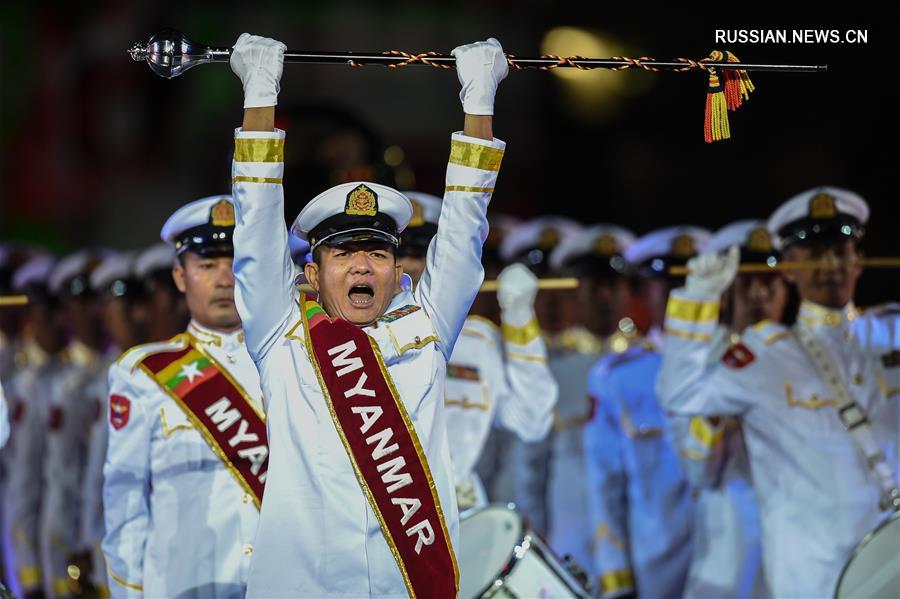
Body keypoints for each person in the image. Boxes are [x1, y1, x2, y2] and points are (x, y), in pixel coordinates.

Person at [226, 32, 507, 596]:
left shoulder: (426, 330)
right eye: (343, 252)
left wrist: (479, 104)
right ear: (310, 273)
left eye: (377, 252)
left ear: (398, 270)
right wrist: (260, 93)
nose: (362, 265)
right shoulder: (281, 335)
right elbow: (255, 229)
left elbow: (462, 232)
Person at [656, 187, 900, 597]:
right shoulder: (762, 357)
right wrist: (697, 301)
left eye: (841, 249)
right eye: (813, 253)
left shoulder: (891, 331)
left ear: (859, 258)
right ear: (789, 266)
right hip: (814, 577)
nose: (830, 264)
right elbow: (678, 395)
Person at [102, 196, 265, 598]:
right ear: (179, 277)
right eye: (207, 266)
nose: (224, 279)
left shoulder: (291, 361)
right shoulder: (143, 373)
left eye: (235, 264)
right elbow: (124, 502)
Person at [397, 192, 557, 511]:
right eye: (400, 252)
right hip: (387, 510)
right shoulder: (355, 336)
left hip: (461, 514)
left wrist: (520, 318)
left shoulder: (477, 341)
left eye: (424, 251)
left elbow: (531, 420)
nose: (413, 266)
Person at [584, 226, 708, 598]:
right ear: (645, 291)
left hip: (739, 566)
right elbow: (604, 484)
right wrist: (616, 575)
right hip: (657, 568)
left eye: (691, 281)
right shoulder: (618, 376)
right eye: (667, 283)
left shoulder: (735, 365)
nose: (680, 295)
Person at [674, 220, 786, 599]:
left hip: (795, 539)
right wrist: (720, 409)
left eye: (770, 280)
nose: (758, 293)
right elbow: (697, 471)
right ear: (726, 291)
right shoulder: (699, 363)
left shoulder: (800, 357)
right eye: (746, 281)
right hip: (730, 542)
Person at [41, 250, 109, 597]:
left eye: (96, 302)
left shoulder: (120, 369)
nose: (90, 313)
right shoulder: (59, 384)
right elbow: (59, 479)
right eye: (79, 303)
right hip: (80, 545)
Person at [78, 252, 145, 598]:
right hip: (111, 545)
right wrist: (88, 541)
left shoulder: (150, 373)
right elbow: (96, 476)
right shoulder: (108, 375)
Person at [3, 255, 66, 599]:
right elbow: (22, 488)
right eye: (46, 309)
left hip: (61, 544)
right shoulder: (16, 378)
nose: (58, 320)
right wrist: (27, 576)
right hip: (24, 544)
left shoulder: (67, 374)